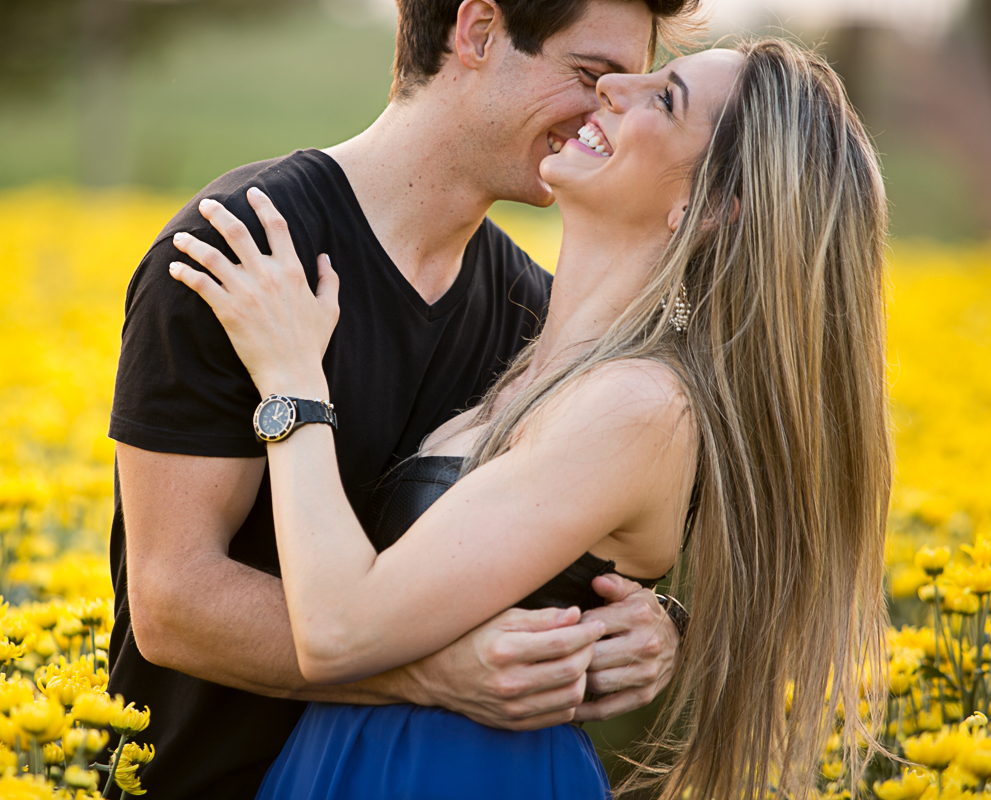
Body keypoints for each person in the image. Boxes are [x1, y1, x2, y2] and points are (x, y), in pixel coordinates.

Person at [169, 36, 892, 800]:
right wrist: (659, 617)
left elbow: (337, 629)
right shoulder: (537, 357)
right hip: (360, 761)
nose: (615, 90)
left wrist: (290, 380)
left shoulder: (641, 406)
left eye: (665, 97)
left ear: (709, 207)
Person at [105, 1, 698, 798]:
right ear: (479, 32)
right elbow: (175, 600)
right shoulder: (245, 251)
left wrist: (652, 625)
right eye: (590, 77)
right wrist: (428, 675)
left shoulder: (533, 323)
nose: (605, 115)